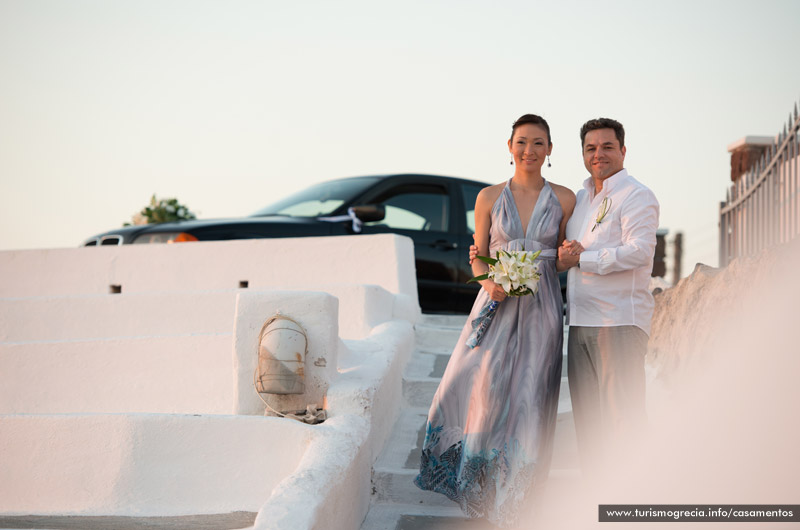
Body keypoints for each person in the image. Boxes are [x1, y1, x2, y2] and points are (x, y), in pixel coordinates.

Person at [415, 114, 575, 527]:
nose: (530, 150)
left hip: (541, 309)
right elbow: (479, 254)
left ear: (550, 150)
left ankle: (519, 497)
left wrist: (564, 260)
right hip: (495, 305)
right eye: (522, 142)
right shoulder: (487, 197)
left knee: (531, 394)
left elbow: (559, 258)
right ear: (509, 146)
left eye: (539, 143)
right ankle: (479, 489)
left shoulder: (566, 198)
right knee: (484, 387)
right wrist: (492, 281)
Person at [556, 118, 659, 475]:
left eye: (607, 146)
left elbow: (640, 251)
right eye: (591, 148)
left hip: (618, 322)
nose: (598, 154)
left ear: (623, 150)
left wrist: (581, 258)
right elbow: (564, 252)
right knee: (589, 425)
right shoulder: (581, 199)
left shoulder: (637, 195)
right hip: (581, 320)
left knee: (623, 422)